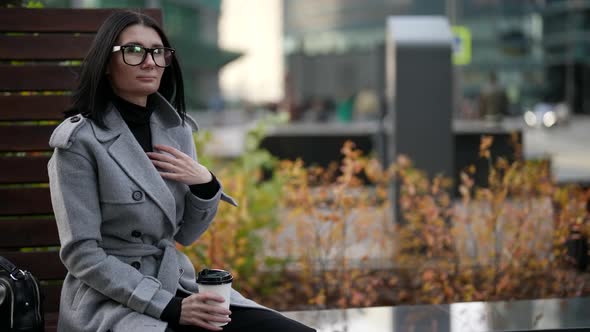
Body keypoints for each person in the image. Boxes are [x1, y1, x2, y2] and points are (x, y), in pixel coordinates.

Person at [47, 10, 315, 332]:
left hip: (175, 284)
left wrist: (205, 185)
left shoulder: (177, 130)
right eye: (134, 51)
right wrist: (171, 309)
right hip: (109, 301)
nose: (149, 62)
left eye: (158, 52)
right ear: (106, 63)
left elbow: (186, 235)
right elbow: (82, 255)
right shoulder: (79, 142)